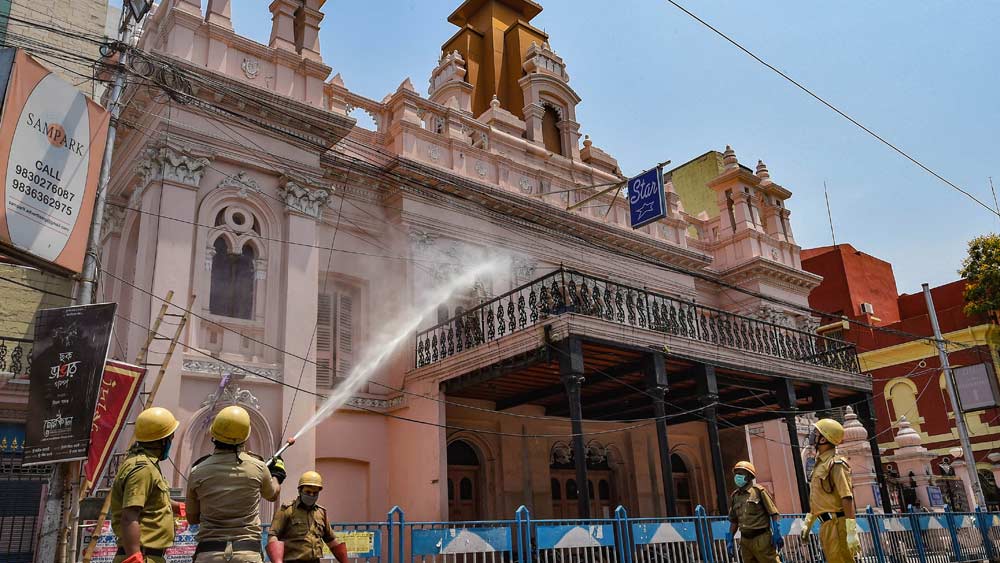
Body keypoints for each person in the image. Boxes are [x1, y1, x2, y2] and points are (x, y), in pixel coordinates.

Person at [186, 405, 286, 562]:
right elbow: (273, 494)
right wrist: (277, 474)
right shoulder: (258, 467)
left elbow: (192, 518)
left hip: (209, 554)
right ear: (245, 437)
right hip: (247, 553)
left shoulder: (197, 470)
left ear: (213, 435)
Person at [109, 407, 184, 563]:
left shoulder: (148, 465)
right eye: (170, 438)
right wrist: (134, 559)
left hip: (150, 556)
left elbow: (151, 500)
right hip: (143, 556)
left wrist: (181, 508)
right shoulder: (143, 469)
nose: (171, 442)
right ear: (162, 441)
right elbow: (130, 516)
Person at [800, 418, 861, 563]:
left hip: (837, 524)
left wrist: (851, 530)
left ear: (823, 439)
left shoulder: (836, 464)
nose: (812, 435)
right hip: (826, 525)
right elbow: (818, 499)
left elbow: (846, 497)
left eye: (816, 432)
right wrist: (808, 522)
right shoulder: (819, 465)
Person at [266, 471, 348, 563]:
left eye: (315, 493)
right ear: (300, 490)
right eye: (308, 492)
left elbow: (331, 540)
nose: (311, 495)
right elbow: (273, 536)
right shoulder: (286, 510)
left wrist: (345, 561)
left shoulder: (321, 512)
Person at [726, 461, 783, 563]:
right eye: (736, 473)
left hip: (761, 539)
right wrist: (730, 538)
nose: (738, 476)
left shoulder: (759, 491)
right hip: (745, 541)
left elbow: (774, 513)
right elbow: (734, 520)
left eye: (741, 473)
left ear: (749, 476)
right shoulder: (735, 496)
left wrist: (777, 533)